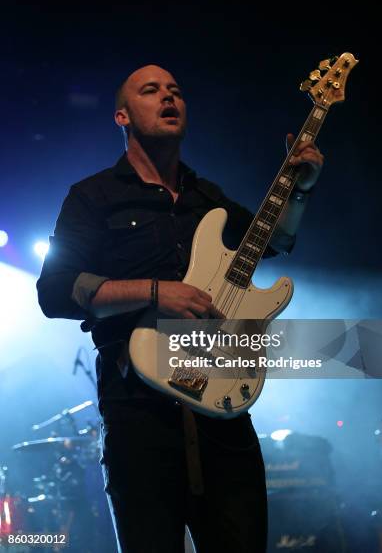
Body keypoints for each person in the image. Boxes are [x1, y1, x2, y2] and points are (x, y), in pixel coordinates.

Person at [36, 64, 323, 552]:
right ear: (122, 116)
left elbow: (275, 240)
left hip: (224, 409)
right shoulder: (92, 197)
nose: (169, 97)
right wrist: (154, 291)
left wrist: (298, 186)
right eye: (152, 91)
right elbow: (55, 290)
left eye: (176, 91)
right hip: (139, 415)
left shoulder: (205, 197)